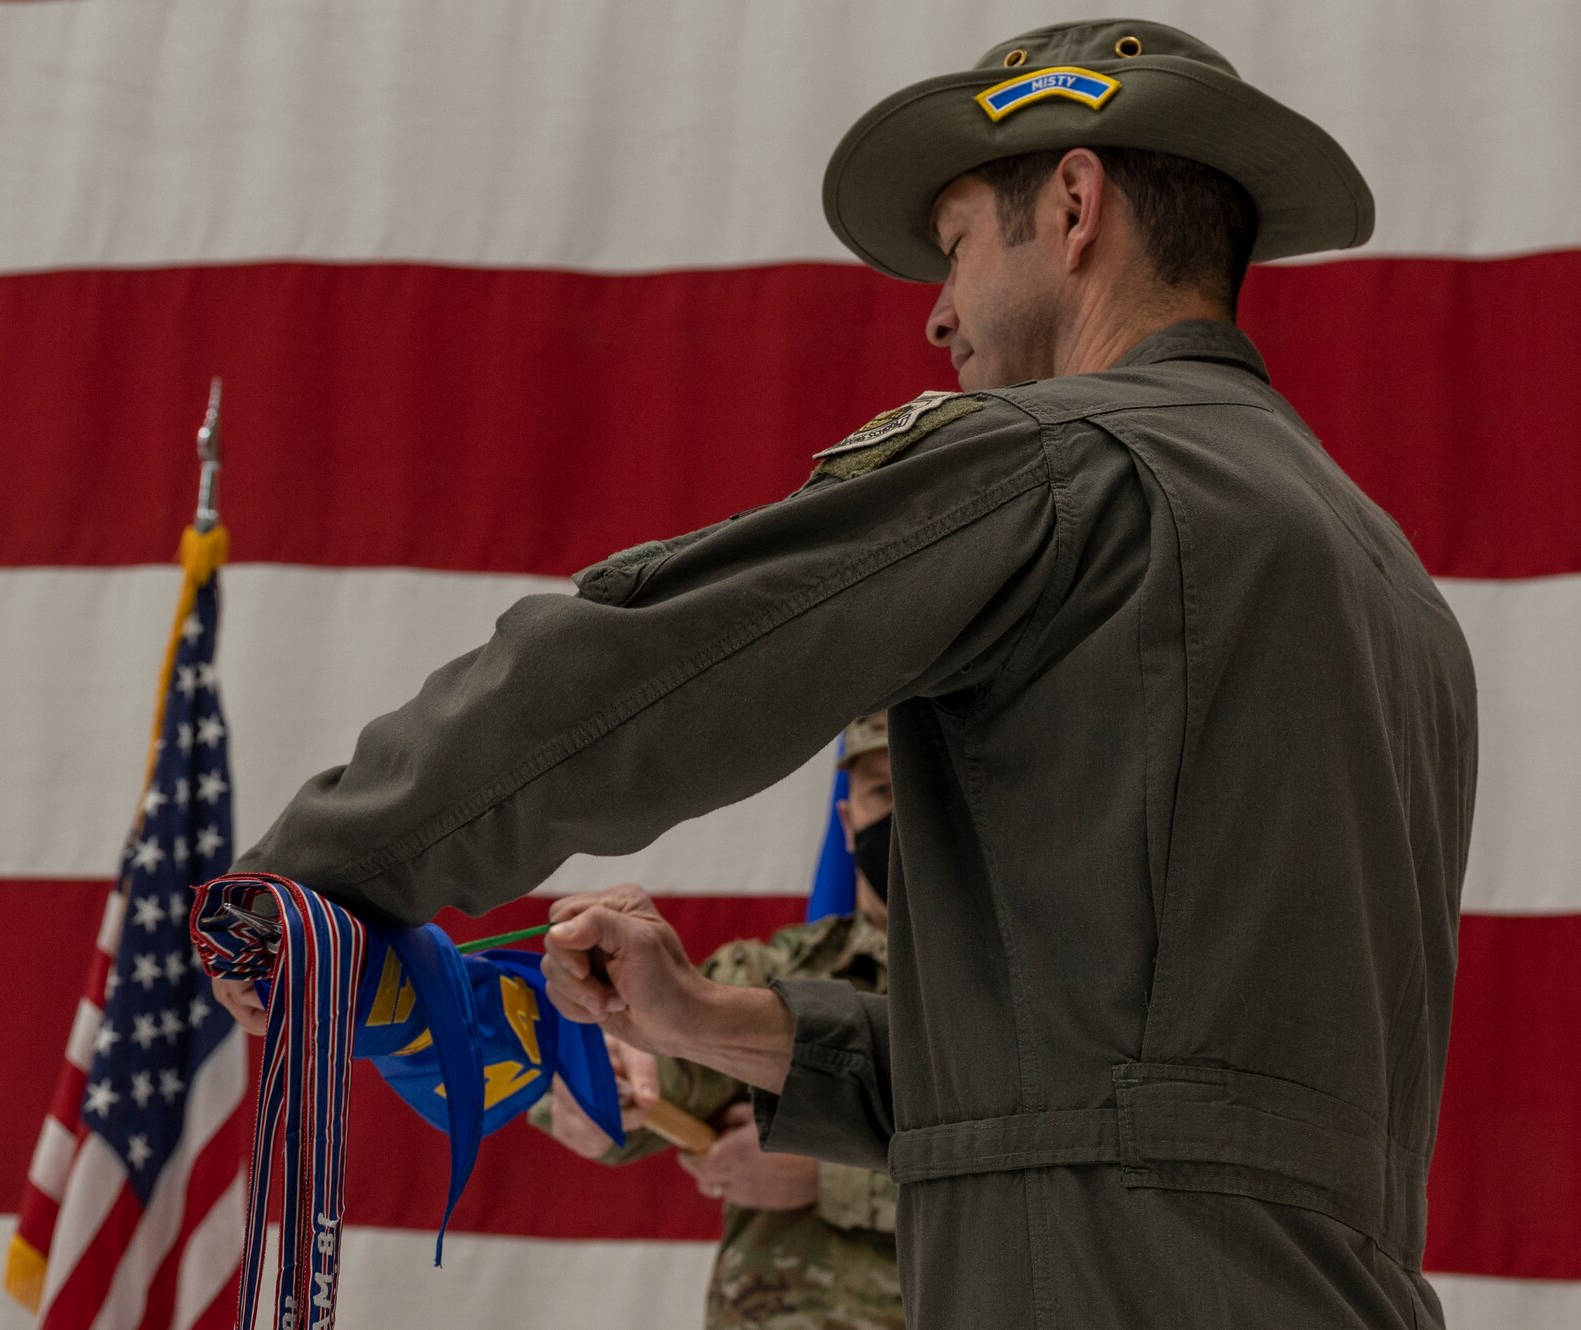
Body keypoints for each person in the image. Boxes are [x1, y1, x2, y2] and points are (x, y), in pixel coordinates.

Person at [220, 19, 1476, 1327]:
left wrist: (319, 865)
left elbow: (659, 667)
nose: (939, 313)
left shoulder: (1073, 467)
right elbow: (1104, 1091)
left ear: (1074, 199)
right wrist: (701, 1008)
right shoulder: (1392, 589)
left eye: (956, 247)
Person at [530, 712, 901, 1330]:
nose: (901, 819)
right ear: (847, 821)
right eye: (882, 791)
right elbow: (667, 1074)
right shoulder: (776, 974)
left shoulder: (1050, 998)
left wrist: (826, 1177)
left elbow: (1072, 1178)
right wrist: (608, 1074)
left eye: (923, 789)